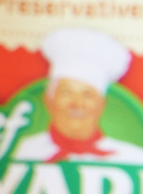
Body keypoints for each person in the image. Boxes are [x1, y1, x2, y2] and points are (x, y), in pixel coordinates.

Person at [13, 28, 143, 163]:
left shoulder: (131, 156)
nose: (77, 104)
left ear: (101, 104)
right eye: (66, 93)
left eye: (87, 95)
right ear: (49, 100)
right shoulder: (22, 151)